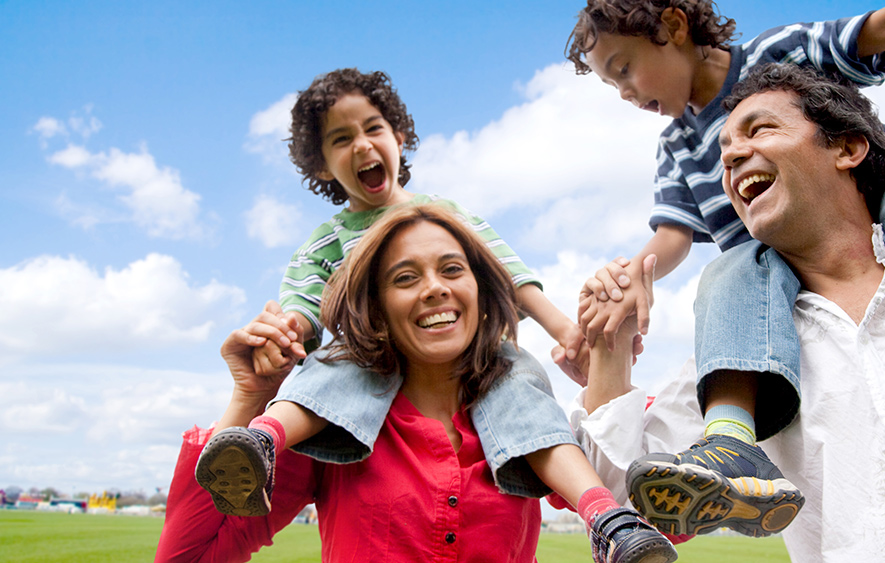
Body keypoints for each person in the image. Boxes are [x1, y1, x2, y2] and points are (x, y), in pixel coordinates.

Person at [562, 0, 885, 536]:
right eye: (613, 87)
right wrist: (631, 277)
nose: (625, 93)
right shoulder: (676, 147)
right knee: (730, 270)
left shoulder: (777, 54)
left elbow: (879, 28)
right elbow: (672, 235)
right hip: (766, 263)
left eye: (623, 70)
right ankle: (729, 443)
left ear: (673, 28)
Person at [210, 68, 665, 545]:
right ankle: (259, 441)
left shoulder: (447, 216)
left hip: (480, 359)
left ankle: (607, 520)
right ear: (323, 166)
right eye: (341, 139)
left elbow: (507, 270)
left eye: (372, 129)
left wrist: (565, 332)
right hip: (367, 358)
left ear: (399, 138)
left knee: (527, 397)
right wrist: (285, 338)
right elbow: (301, 302)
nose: (362, 145)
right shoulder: (327, 240)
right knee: (327, 369)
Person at [157, 204, 678, 562]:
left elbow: (660, 524)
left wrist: (612, 342)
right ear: (377, 306)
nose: (434, 289)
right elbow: (192, 554)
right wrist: (248, 400)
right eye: (405, 278)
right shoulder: (329, 432)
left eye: (452, 269)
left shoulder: (526, 426)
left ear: (481, 290)